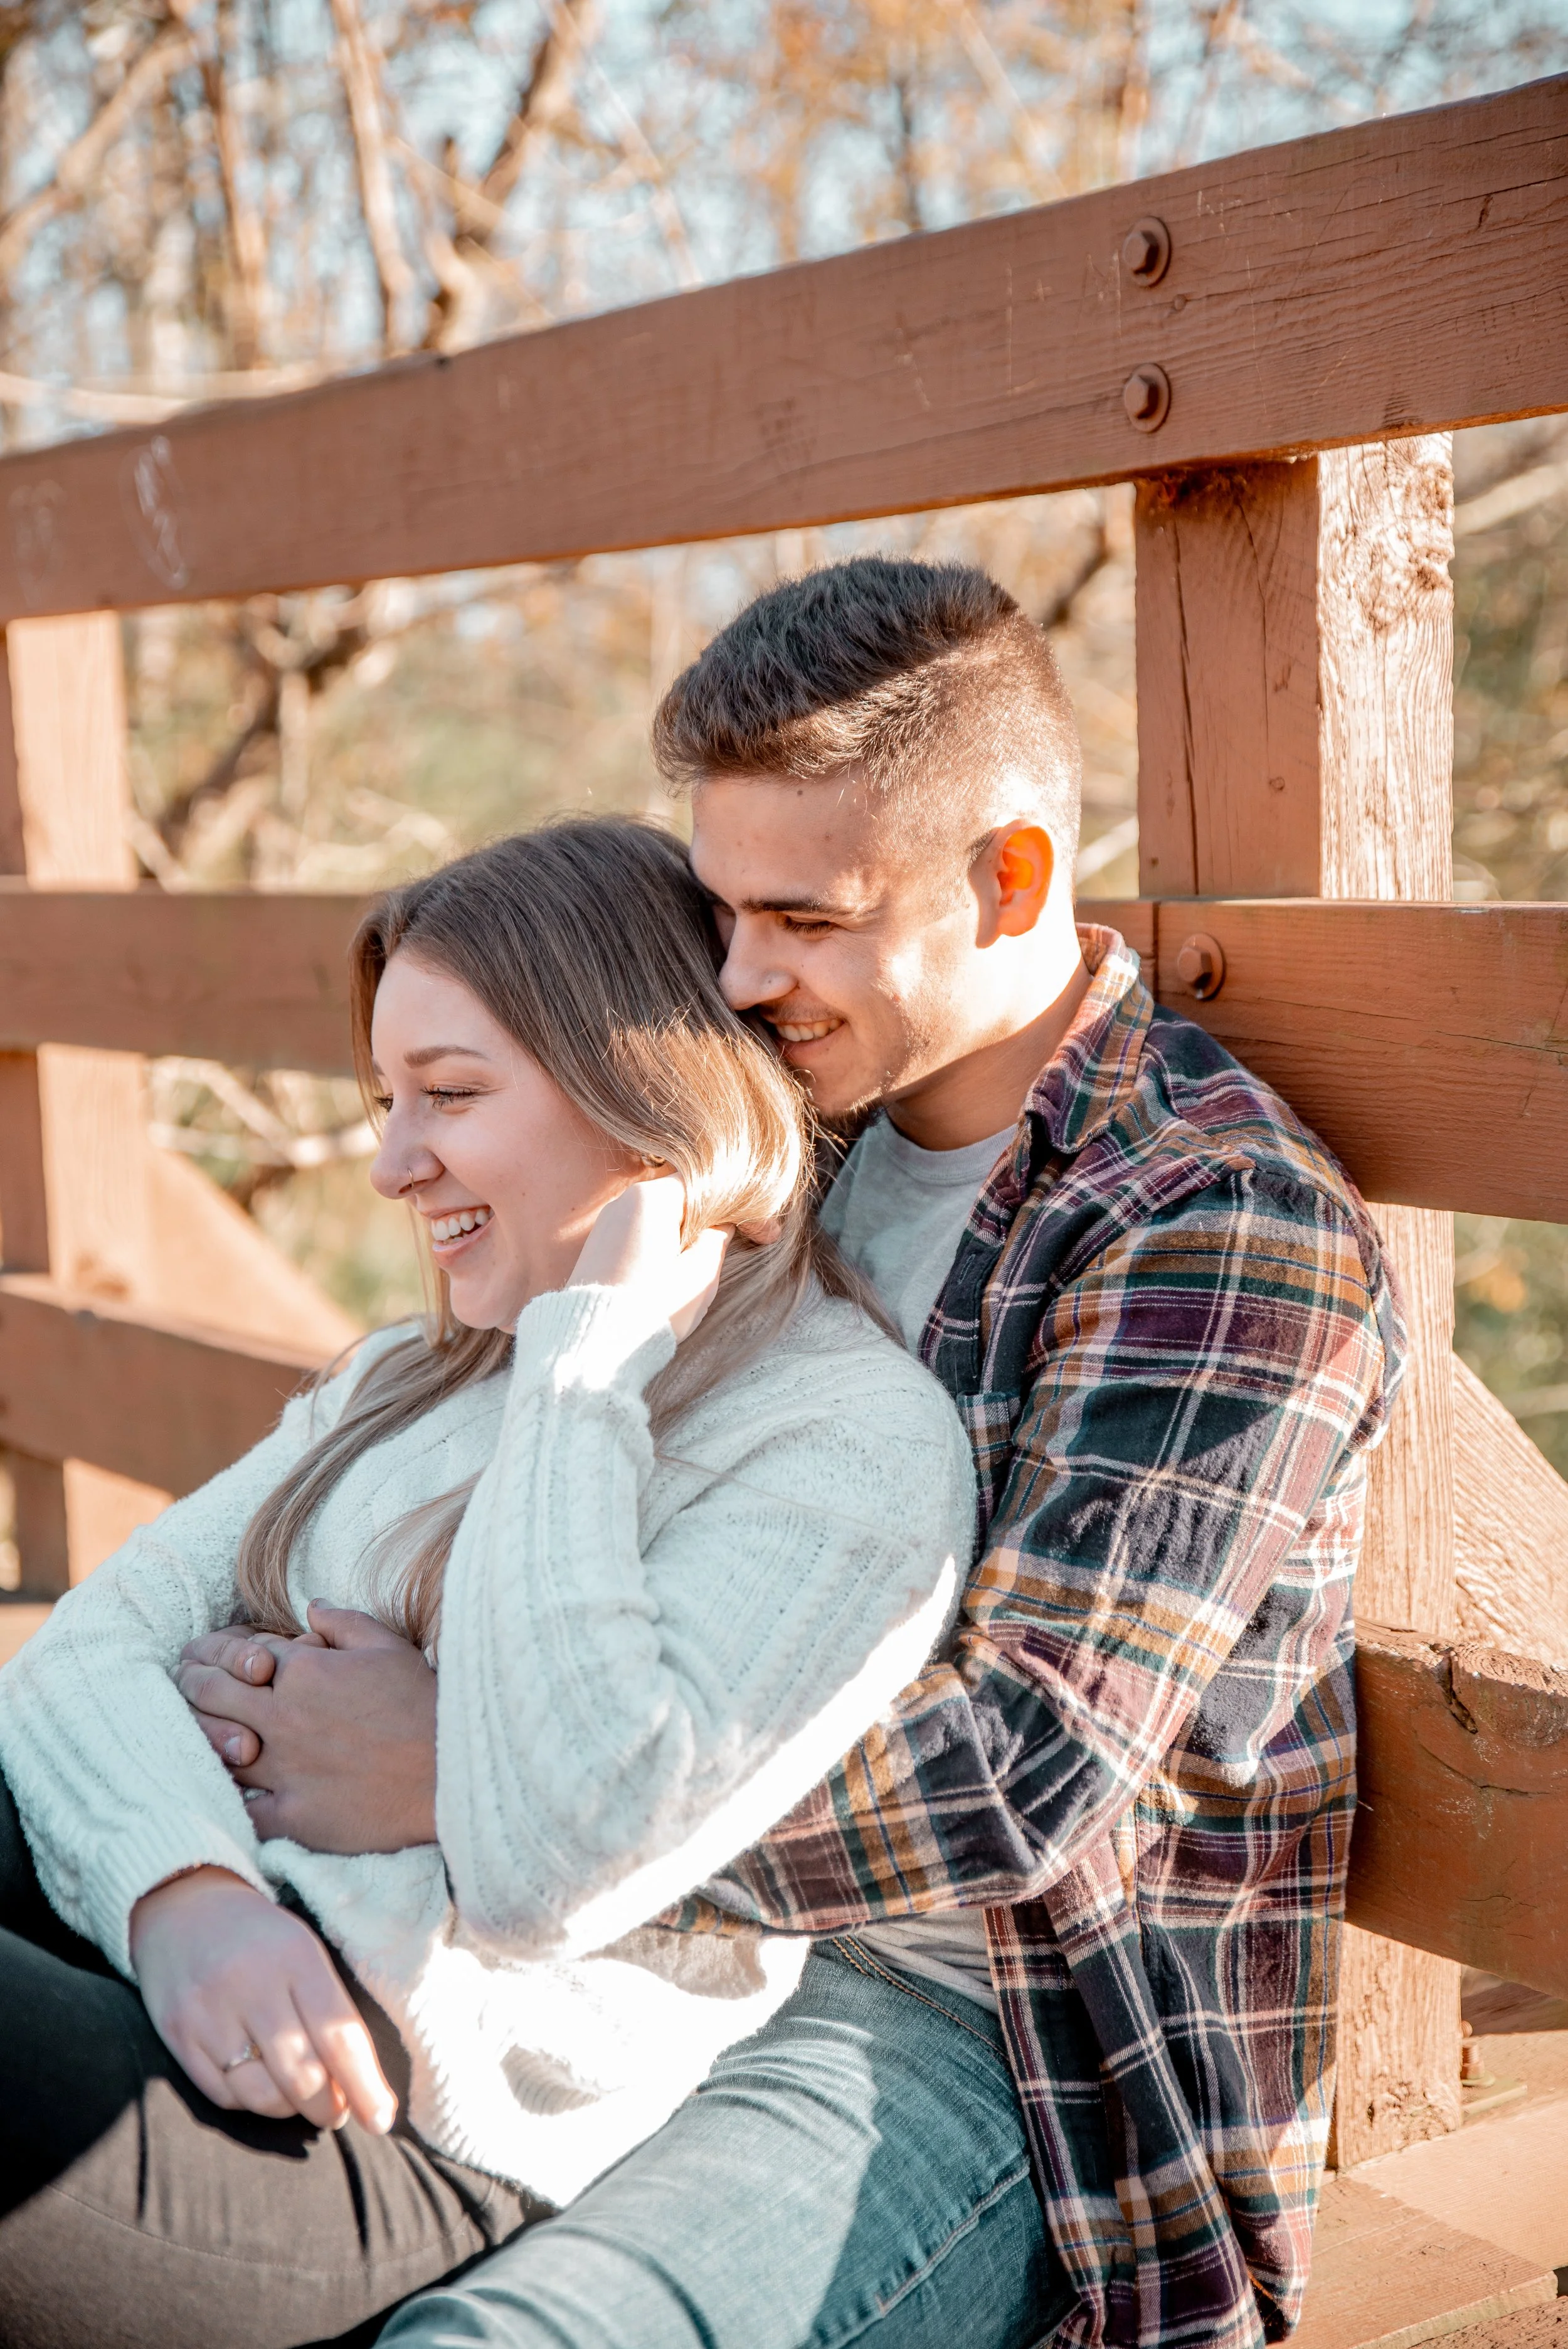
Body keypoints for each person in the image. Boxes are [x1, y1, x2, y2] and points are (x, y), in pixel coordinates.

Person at [164, 558, 1404, 2349]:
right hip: (605, 1935)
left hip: (981, 2032)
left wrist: (477, 1770)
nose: (740, 976)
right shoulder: (776, 1129)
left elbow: (1019, 1767)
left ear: (1013, 879)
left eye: (803, 917)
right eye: (722, 910)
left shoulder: (1209, 1224)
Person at [0, 816, 980, 2349]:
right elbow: (86, 1650)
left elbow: (553, 1857)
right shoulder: (410, 1372)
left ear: (640, 1091)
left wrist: (582, 1378)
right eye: (390, 1100)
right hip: (168, 1952)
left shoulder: (847, 1452)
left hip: (385, 2127)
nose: (395, 1163)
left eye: (449, 1096)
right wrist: (180, 1898)